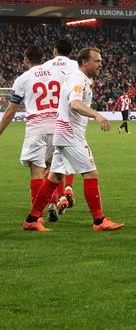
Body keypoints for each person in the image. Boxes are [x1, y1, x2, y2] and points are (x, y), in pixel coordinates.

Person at [22, 47, 124, 232]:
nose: (100, 64)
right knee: (91, 174)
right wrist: (97, 116)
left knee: (54, 177)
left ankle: (32, 219)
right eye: (97, 60)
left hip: (65, 133)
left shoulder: (81, 79)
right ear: (85, 62)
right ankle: (99, 221)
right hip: (70, 135)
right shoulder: (78, 79)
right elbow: (75, 103)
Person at [0, 46, 67, 222]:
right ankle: (52, 203)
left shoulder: (23, 79)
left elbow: (12, 109)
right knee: (51, 169)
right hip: (58, 127)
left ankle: (37, 216)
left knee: (36, 171)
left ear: (25, 59)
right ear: (43, 57)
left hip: (37, 128)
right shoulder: (58, 74)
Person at [41, 39, 79, 210]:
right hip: (70, 118)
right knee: (68, 157)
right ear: (70, 52)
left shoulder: (45, 66)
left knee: (50, 164)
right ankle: (68, 189)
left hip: (49, 117)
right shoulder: (76, 65)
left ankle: (56, 198)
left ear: (55, 50)